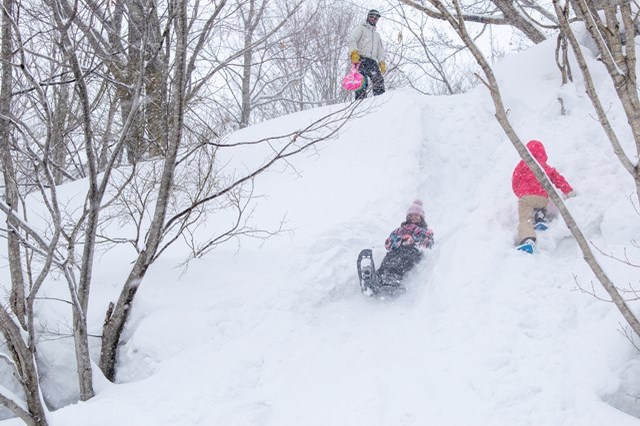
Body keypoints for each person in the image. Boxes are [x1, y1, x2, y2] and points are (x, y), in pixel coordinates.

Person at [512, 140, 575, 253]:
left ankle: (528, 240)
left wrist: (519, 194)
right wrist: (568, 191)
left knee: (525, 219)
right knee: (539, 204)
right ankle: (540, 217)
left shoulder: (522, 165)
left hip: (525, 197)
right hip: (542, 197)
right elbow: (557, 178)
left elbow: (515, 181)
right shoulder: (544, 166)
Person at [374, 200, 435, 292]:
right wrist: (399, 240)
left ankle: (393, 278)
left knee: (402, 259)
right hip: (397, 249)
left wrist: (422, 241)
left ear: (421, 218)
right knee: (388, 258)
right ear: (407, 217)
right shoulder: (400, 230)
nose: (413, 218)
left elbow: (428, 242)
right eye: (411, 215)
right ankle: (378, 276)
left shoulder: (423, 230)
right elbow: (389, 241)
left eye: (416, 216)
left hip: (413, 251)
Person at [348, 9, 386, 100]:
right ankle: (360, 102)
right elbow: (352, 39)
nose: (373, 19)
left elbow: (380, 50)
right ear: (368, 17)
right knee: (361, 82)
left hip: (372, 61)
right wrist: (354, 52)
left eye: (376, 18)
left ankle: (380, 100)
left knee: (378, 80)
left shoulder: (377, 35)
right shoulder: (361, 29)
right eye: (371, 17)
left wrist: (381, 61)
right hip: (360, 59)